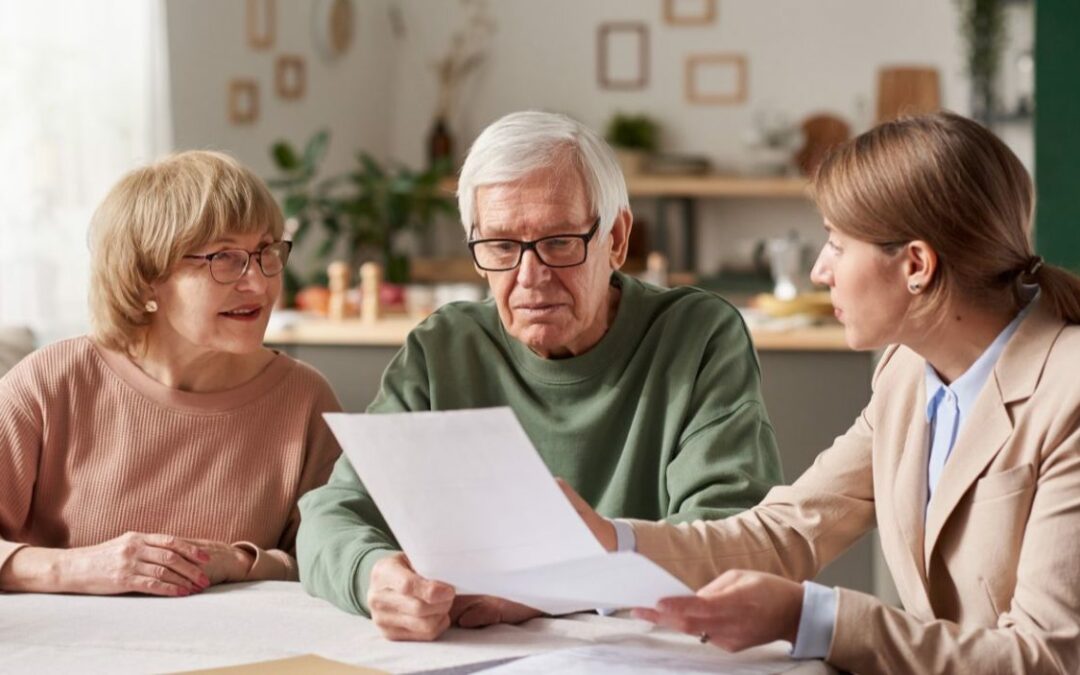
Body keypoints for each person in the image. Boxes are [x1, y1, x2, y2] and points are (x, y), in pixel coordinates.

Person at [563, 111, 1080, 674]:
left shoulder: (1068, 393)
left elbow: (1048, 658)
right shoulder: (906, 371)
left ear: (916, 264)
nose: (817, 270)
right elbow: (791, 529)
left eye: (835, 244)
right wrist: (612, 542)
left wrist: (816, 619)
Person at [297, 110, 783, 641]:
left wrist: (551, 592)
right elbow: (330, 516)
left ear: (616, 238)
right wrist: (372, 576)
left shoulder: (698, 336)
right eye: (502, 247)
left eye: (558, 242)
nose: (531, 278)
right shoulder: (445, 348)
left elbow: (730, 541)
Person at [0, 151, 342, 597]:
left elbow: (335, 559)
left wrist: (240, 561)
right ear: (145, 278)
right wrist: (80, 567)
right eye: (225, 257)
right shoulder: (52, 382)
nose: (258, 283)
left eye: (265, 252)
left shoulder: (304, 397)